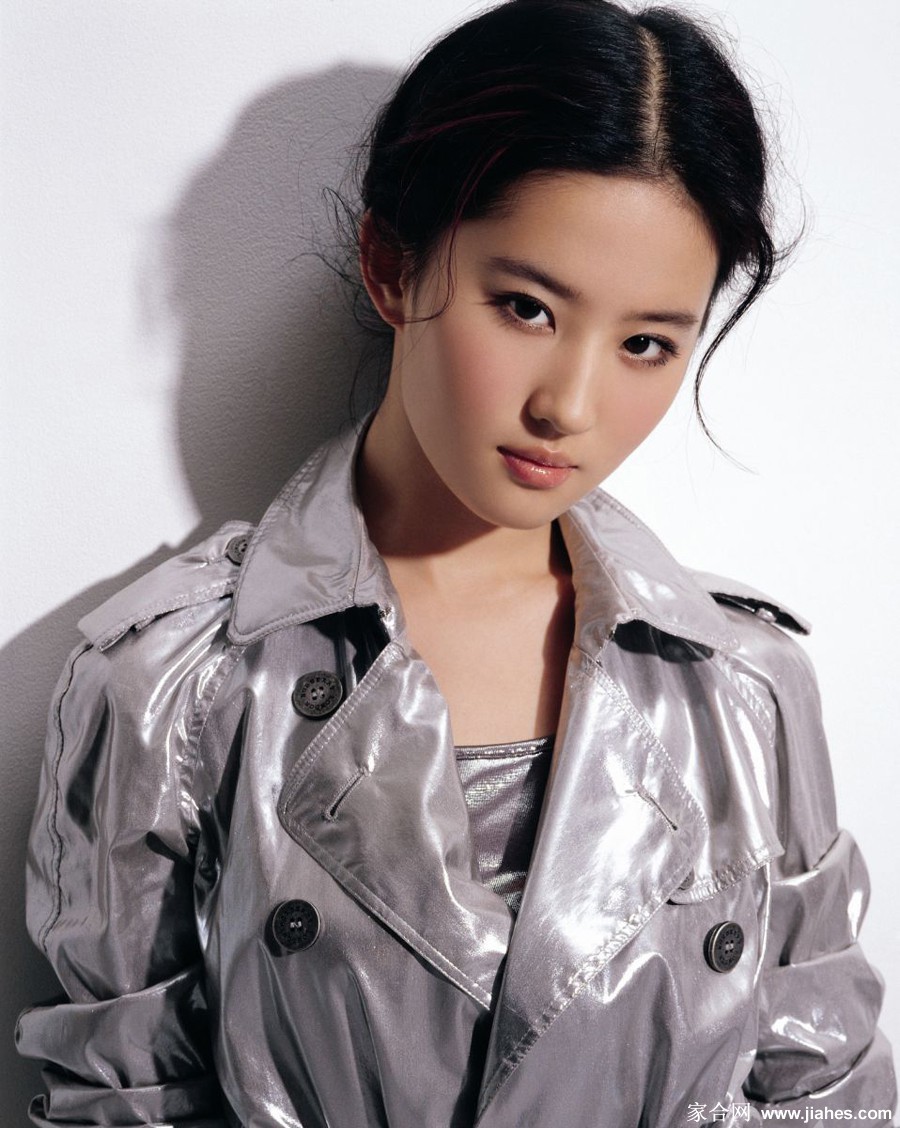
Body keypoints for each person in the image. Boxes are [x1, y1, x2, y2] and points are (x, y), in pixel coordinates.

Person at [15, 0, 897, 1124]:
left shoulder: (740, 689)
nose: (569, 404)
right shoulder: (172, 686)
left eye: (645, 343)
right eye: (526, 308)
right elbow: (123, 1099)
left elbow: (826, 1091)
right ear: (391, 265)